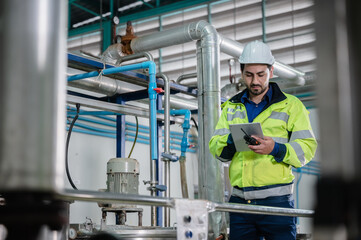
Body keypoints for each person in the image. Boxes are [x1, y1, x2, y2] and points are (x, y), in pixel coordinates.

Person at [209, 40, 317, 240]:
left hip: (277, 202)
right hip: (240, 203)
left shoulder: (291, 106)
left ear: (271, 72)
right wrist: (232, 142)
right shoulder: (231, 107)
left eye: (261, 74)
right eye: (249, 75)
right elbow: (216, 147)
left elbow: (307, 148)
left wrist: (275, 148)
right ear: (242, 74)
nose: (255, 81)